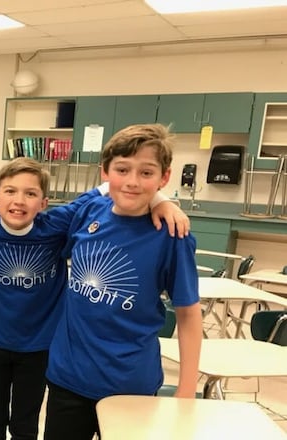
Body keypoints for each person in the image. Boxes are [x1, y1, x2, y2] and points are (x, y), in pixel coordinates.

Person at [0, 157, 188, 440]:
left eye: (31, 193)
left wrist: (162, 201)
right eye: (10, 191)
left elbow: (112, 186)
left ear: (44, 203)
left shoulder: (58, 224)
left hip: (40, 347)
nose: (19, 201)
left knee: (26, 423)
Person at [43, 124, 203, 440]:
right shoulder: (88, 210)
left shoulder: (172, 236)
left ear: (164, 178)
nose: (132, 181)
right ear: (105, 171)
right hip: (68, 377)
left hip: (130, 384)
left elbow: (188, 315)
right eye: (122, 169)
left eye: (146, 173)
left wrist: (186, 391)